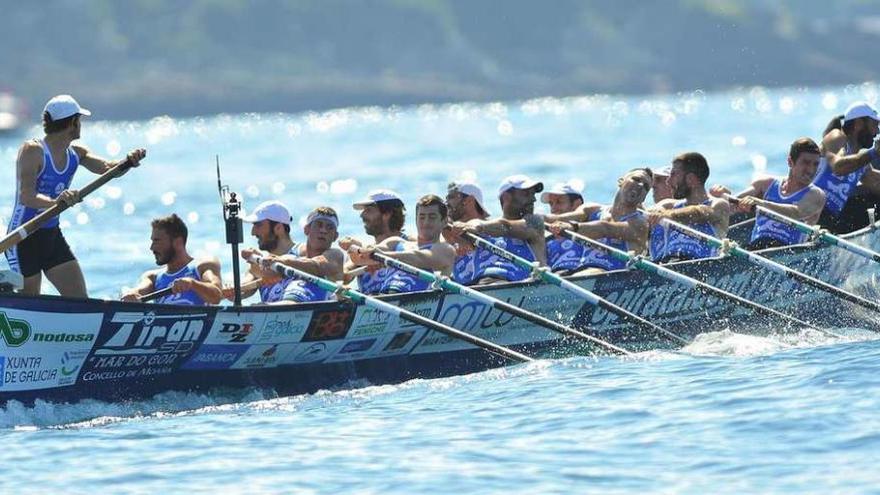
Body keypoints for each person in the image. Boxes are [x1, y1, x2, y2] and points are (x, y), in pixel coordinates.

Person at [7, 94, 146, 297]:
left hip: (52, 236)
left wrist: (127, 161)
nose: (81, 125)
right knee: (30, 301)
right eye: (79, 120)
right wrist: (56, 202)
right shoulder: (33, 151)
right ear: (72, 122)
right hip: (24, 238)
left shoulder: (77, 153)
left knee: (80, 302)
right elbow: (26, 196)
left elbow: (107, 168)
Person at [711, 138, 826, 250]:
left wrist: (760, 203)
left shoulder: (816, 195)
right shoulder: (765, 184)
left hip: (788, 253)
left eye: (815, 164)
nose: (811, 170)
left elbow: (796, 212)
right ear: (790, 162)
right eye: (806, 163)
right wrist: (722, 195)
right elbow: (734, 203)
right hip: (757, 248)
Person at [546, 168, 653, 274]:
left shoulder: (639, 223)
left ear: (643, 198)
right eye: (636, 179)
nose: (640, 185)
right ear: (621, 181)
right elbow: (557, 219)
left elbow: (605, 229)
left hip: (613, 277)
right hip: (583, 271)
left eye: (646, 187)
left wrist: (572, 227)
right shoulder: (591, 210)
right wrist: (534, 218)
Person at [447, 175, 546, 285]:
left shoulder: (535, 223)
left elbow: (506, 227)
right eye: (526, 194)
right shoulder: (484, 228)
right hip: (482, 284)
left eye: (533, 194)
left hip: (520, 285)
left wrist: (476, 227)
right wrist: (464, 231)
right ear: (506, 197)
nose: (533, 199)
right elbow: (475, 222)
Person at [348, 194, 456, 293]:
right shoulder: (395, 242)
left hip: (419, 304)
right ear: (416, 219)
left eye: (432, 217)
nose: (426, 223)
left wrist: (383, 257)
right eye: (422, 217)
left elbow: (419, 258)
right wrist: (359, 251)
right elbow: (360, 258)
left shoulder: (445, 250)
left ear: (444, 221)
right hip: (385, 300)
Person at [245, 205, 345, 304]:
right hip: (277, 316)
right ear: (306, 230)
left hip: (312, 313)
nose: (323, 231)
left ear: (335, 236)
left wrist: (280, 261)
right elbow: (247, 283)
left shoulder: (336, 255)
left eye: (329, 227)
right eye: (319, 225)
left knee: (308, 279)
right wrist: (232, 288)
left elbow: (316, 266)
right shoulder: (284, 258)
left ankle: (282, 306)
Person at [121, 214, 222, 305]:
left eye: (157, 241)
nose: (152, 248)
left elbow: (217, 296)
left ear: (177, 242)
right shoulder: (152, 277)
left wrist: (193, 284)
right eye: (152, 241)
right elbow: (140, 290)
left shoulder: (204, 266)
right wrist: (132, 294)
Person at [647, 152, 730, 263]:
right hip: (670, 264)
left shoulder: (719, 205)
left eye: (673, 175)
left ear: (690, 179)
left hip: (704, 267)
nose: (668, 181)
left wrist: (666, 214)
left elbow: (701, 212)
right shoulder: (668, 205)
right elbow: (641, 216)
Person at [813, 101, 880, 233]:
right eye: (874, 125)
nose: (877, 131)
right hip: (810, 208)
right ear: (859, 124)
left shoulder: (861, 162)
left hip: (829, 220)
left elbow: (876, 182)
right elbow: (838, 167)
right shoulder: (837, 137)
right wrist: (874, 152)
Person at [338, 189, 407, 293]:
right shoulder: (362, 252)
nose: (362, 215)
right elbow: (342, 275)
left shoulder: (409, 244)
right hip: (369, 308)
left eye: (368, 210)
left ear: (387, 213)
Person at [540, 180, 601, 274]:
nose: (553, 208)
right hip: (556, 279)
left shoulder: (592, 224)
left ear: (577, 204)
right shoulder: (546, 238)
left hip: (584, 274)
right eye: (551, 204)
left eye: (559, 202)